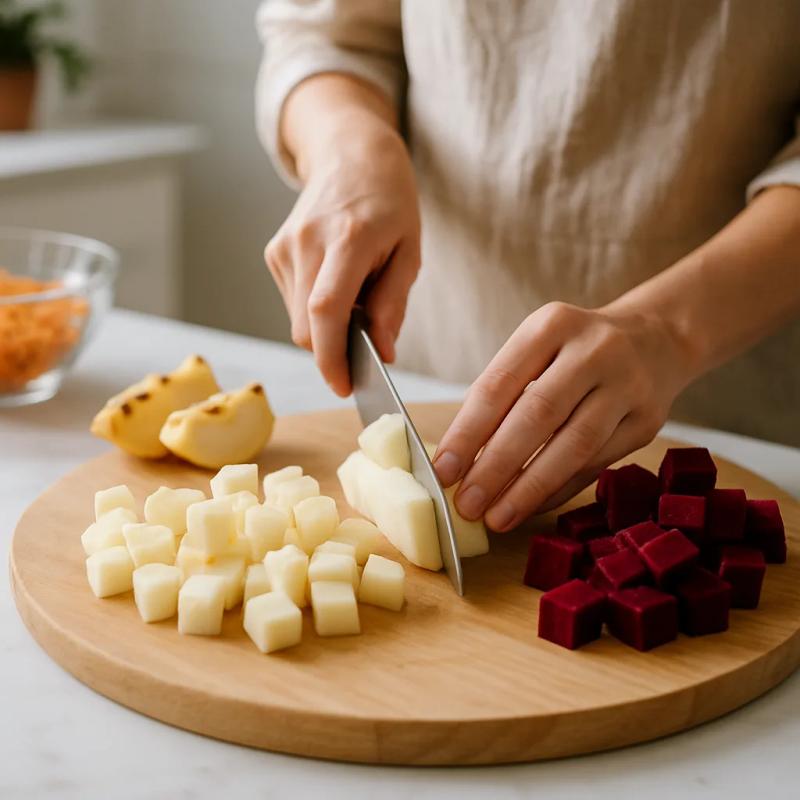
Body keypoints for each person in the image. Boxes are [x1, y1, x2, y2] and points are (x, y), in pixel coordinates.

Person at [255, 1, 800, 533]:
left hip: (732, 417)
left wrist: (673, 331)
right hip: (429, 364)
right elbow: (324, 34)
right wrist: (348, 147)